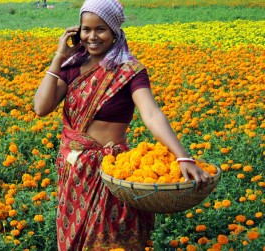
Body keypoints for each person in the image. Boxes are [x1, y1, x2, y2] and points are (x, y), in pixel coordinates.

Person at [33, 0, 213, 250]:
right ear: (77, 31)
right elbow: (41, 108)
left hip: (109, 174)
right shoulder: (73, 67)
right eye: (86, 29)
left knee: (109, 241)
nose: (92, 36)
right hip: (73, 172)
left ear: (115, 31)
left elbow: (151, 114)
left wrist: (183, 157)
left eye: (101, 29)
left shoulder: (130, 71)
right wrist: (60, 56)